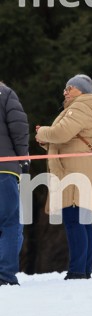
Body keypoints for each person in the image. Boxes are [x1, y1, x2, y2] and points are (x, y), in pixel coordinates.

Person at [35, 74, 92, 280]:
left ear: (81, 90)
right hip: (87, 171)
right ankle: (84, 270)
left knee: (73, 221)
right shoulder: (91, 108)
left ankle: (77, 271)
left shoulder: (80, 107)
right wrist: (48, 141)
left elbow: (62, 133)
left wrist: (43, 132)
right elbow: (70, 138)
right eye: (65, 88)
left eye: (70, 88)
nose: (65, 91)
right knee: (84, 222)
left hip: (76, 173)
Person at [0, 82, 29, 286]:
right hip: (4, 168)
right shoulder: (5, 93)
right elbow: (19, 127)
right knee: (10, 224)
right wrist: (23, 157)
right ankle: (5, 276)